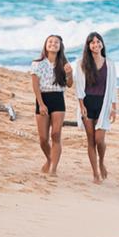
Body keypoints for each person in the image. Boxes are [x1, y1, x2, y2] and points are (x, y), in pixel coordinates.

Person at [74, 32, 119, 183]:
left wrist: (114, 107)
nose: (96, 44)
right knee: (91, 140)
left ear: (102, 44)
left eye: (98, 41)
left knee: (100, 139)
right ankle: (95, 173)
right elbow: (79, 86)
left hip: (103, 104)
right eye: (92, 42)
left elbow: (113, 87)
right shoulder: (82, 63)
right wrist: (81, 106)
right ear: (88, 46)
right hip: (87, 103)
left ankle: (101, 162)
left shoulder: (110, 64)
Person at [31, 35, 72, 175]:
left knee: (56, 134)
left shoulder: (64, 64)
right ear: (46, 45)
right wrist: (41, 104)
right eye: (50, 41)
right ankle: (50, 160)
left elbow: (69, 84)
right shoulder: (37, 63)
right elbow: (35, 86)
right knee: (43, 139)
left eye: (56, 42)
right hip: (43, 99)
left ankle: (53, 168)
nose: (53, 44)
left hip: (58, 99)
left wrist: (70, 74)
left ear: (60, 46)